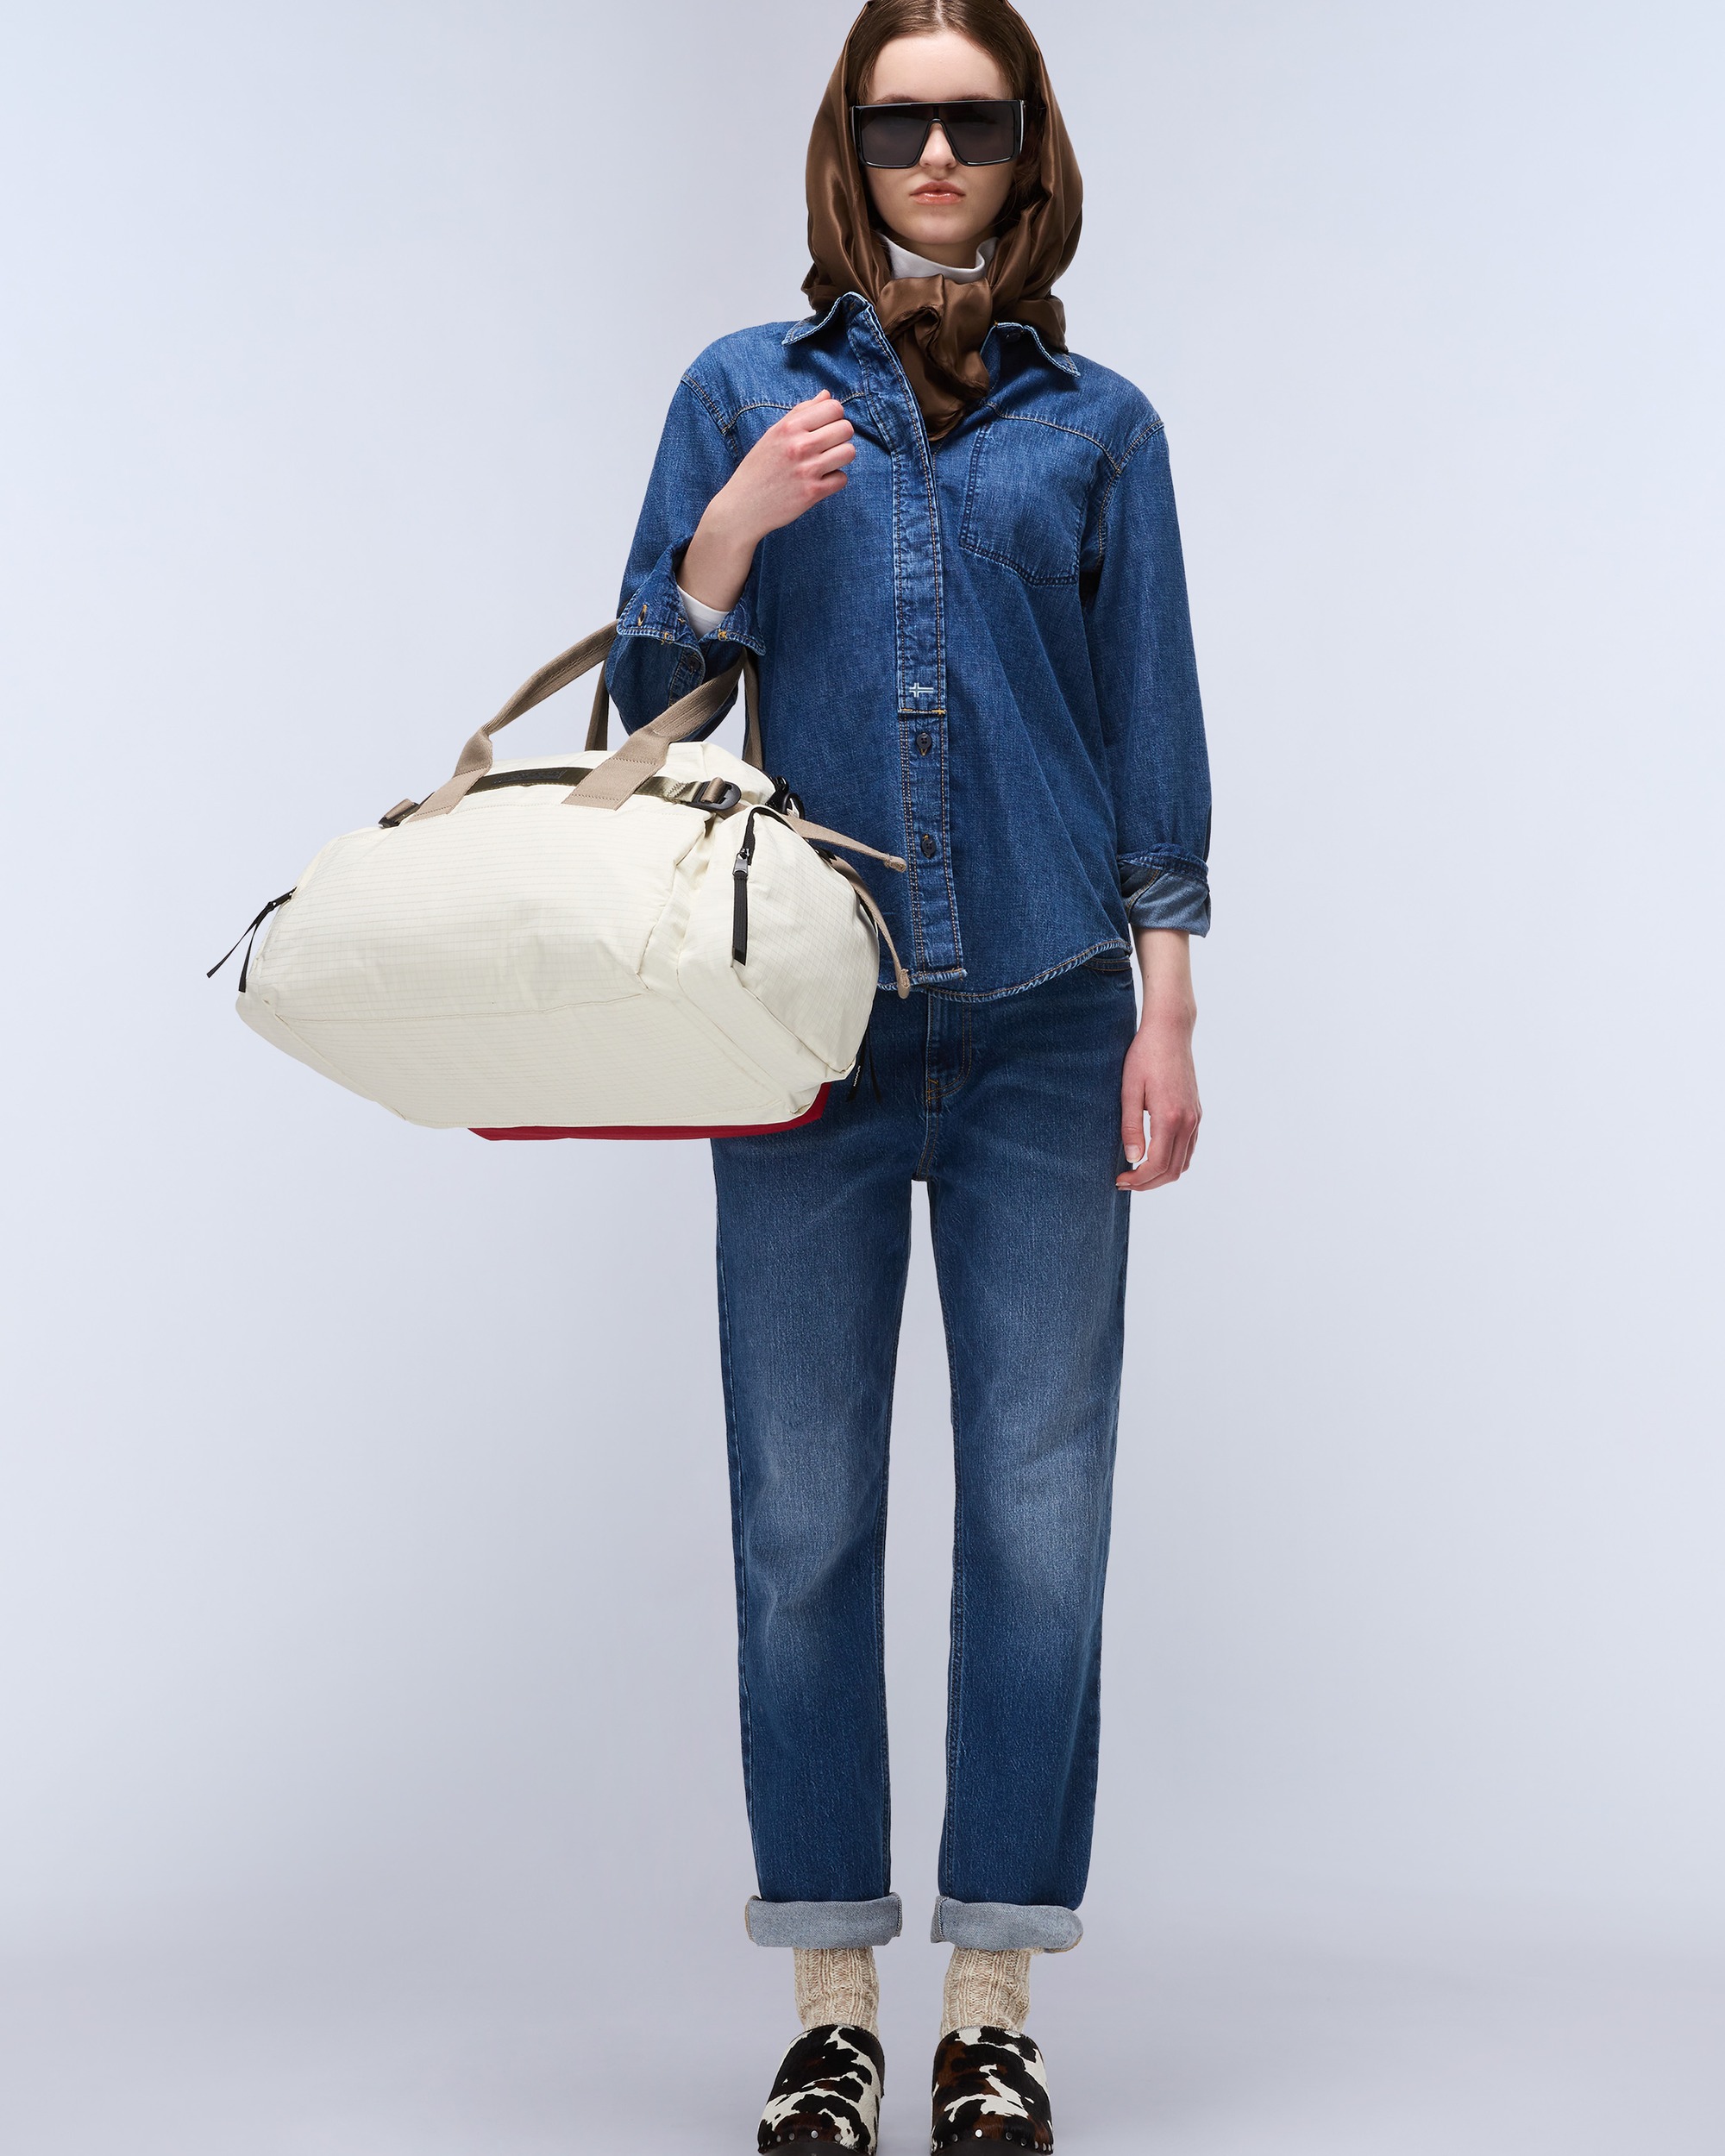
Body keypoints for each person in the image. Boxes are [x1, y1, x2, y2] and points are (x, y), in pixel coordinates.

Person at [605, 3, 1209, 2147]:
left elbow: (1150, 731)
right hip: (805, 1029)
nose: (932, 154)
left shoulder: (1101, 426)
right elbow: (641, 723)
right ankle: (834, 2010)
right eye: (894, 121)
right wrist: (727, 533)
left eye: (970, 118)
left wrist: (1166, 1009)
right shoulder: (739, 395)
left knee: (1040, 1517)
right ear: (844, 145)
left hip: (1051, 1018)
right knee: (802, 1518)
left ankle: (991, 2012)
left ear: (1025, 143)